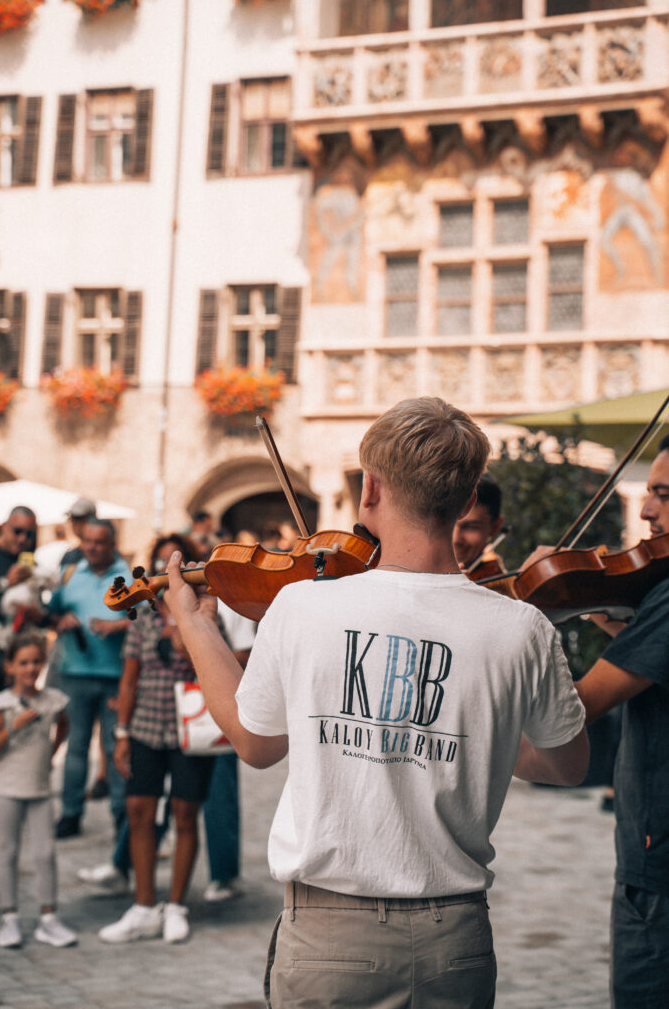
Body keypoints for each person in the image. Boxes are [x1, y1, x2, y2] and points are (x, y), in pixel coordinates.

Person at [165, 396, 589, 1008]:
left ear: (370, 491)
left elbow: (256, 745)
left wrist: (193, 621)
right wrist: (474, 733)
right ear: (470, 500)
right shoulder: (522, 628)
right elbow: (568, 765)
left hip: (332, 938)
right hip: (458, 940)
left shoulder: (303, 606)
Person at [573, 433, 669, 1009]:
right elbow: (650, 653)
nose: (648, 508)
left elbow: (582, 704)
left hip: (659, 876)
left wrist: (524, 636)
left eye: (665, 494)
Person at [98, 533, 215, 945]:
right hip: (147, 723)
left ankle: (177, 905)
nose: (168, 573)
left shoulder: (204, 609)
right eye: (161, 564)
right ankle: (144, 906)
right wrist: (122, 733)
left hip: (190, 731)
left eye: (175, 564)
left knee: (185, 814)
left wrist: (184, 632)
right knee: (139, 811)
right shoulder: (142, 614)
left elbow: (227, 665)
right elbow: (129, 679)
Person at [0, 630, 77, 948]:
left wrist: (52, 754)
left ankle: (48, 917)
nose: (30, 668)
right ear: (10, 666)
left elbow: (63, 724)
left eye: (36, 661)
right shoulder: (1, 703)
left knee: (45, 852)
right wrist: (14, 728)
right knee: (7, 852)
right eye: (23, 662)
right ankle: (10, 917)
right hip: (6, 788)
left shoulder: (53, 700)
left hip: (39, 788)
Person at [47, 518, 129, 838]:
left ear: (112, 544)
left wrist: (115, 626)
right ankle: (70, 813)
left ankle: (121, 816)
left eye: (99, 542)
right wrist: (60, 619)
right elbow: (50, 613)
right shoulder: (70, 574)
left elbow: (143, 623)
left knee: (114, 747)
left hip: (115, 676)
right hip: (75, 673)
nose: (92, 547)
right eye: (88, 541)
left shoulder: (127, 575)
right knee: (77, 746)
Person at [202, 600, 256, 903]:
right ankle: (124, 862)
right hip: (166, 711)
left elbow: (248, 654)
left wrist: (201, 641)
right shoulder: (155, 611)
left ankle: (224, 874)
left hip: (214, 708)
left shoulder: (231, 602)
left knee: (219, 794)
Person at [0, 506, 38, 703]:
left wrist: (37, 614)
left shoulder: (28, 562)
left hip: (14, 652)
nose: (23, 538)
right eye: (17, 531)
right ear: (3, 527)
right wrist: (4, 583)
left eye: (29, 534)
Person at [452, 472, 505, 575]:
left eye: (471, 527)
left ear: (495, 528)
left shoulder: (498, 589)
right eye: (446, 526)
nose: (455, 539)